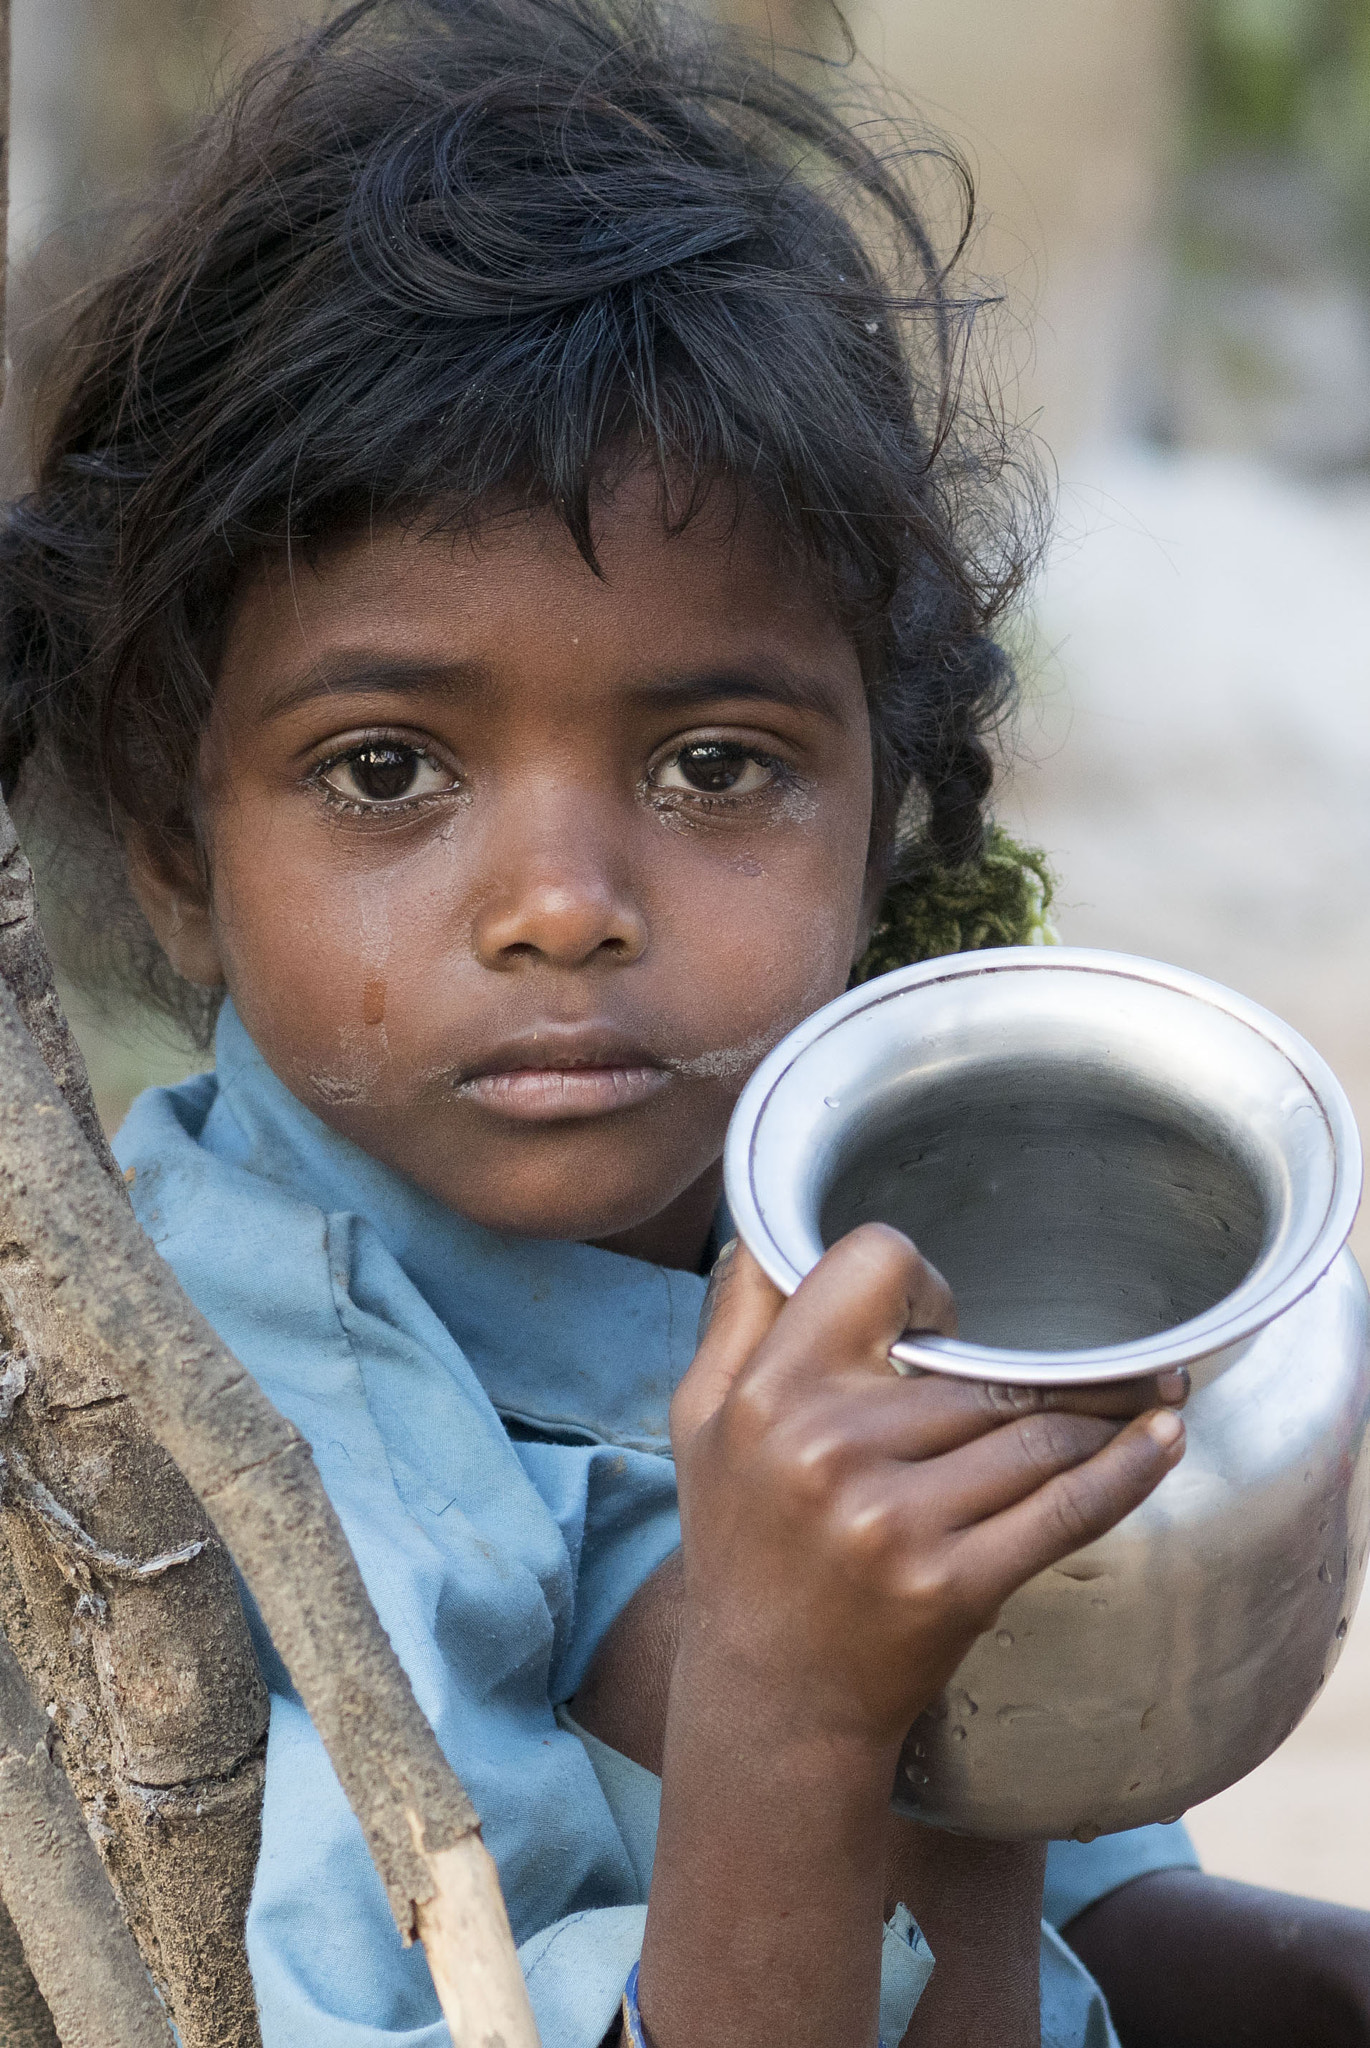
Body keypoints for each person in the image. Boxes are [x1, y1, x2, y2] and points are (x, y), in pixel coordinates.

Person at [3, 3, 1369, 2043]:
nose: (564, 904)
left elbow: (1074, 1937)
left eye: (717, 763)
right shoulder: (251, 1449)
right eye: (386, 770)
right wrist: (786, 1716)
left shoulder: (857, 1253)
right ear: (176, 844)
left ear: (880, 799)